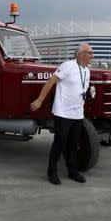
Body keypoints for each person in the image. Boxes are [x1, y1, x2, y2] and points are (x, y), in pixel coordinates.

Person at [30, 43, 94, 185]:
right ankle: (51, 171)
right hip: (63, 113)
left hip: (78, 114)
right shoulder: (67, 66)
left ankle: (73, 172)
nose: (92, 55)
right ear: (80, 53)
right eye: (90, 53)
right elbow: (50, 82)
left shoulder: (87, 71)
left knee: (72, 145)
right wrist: (40, 100)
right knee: (59, 143)